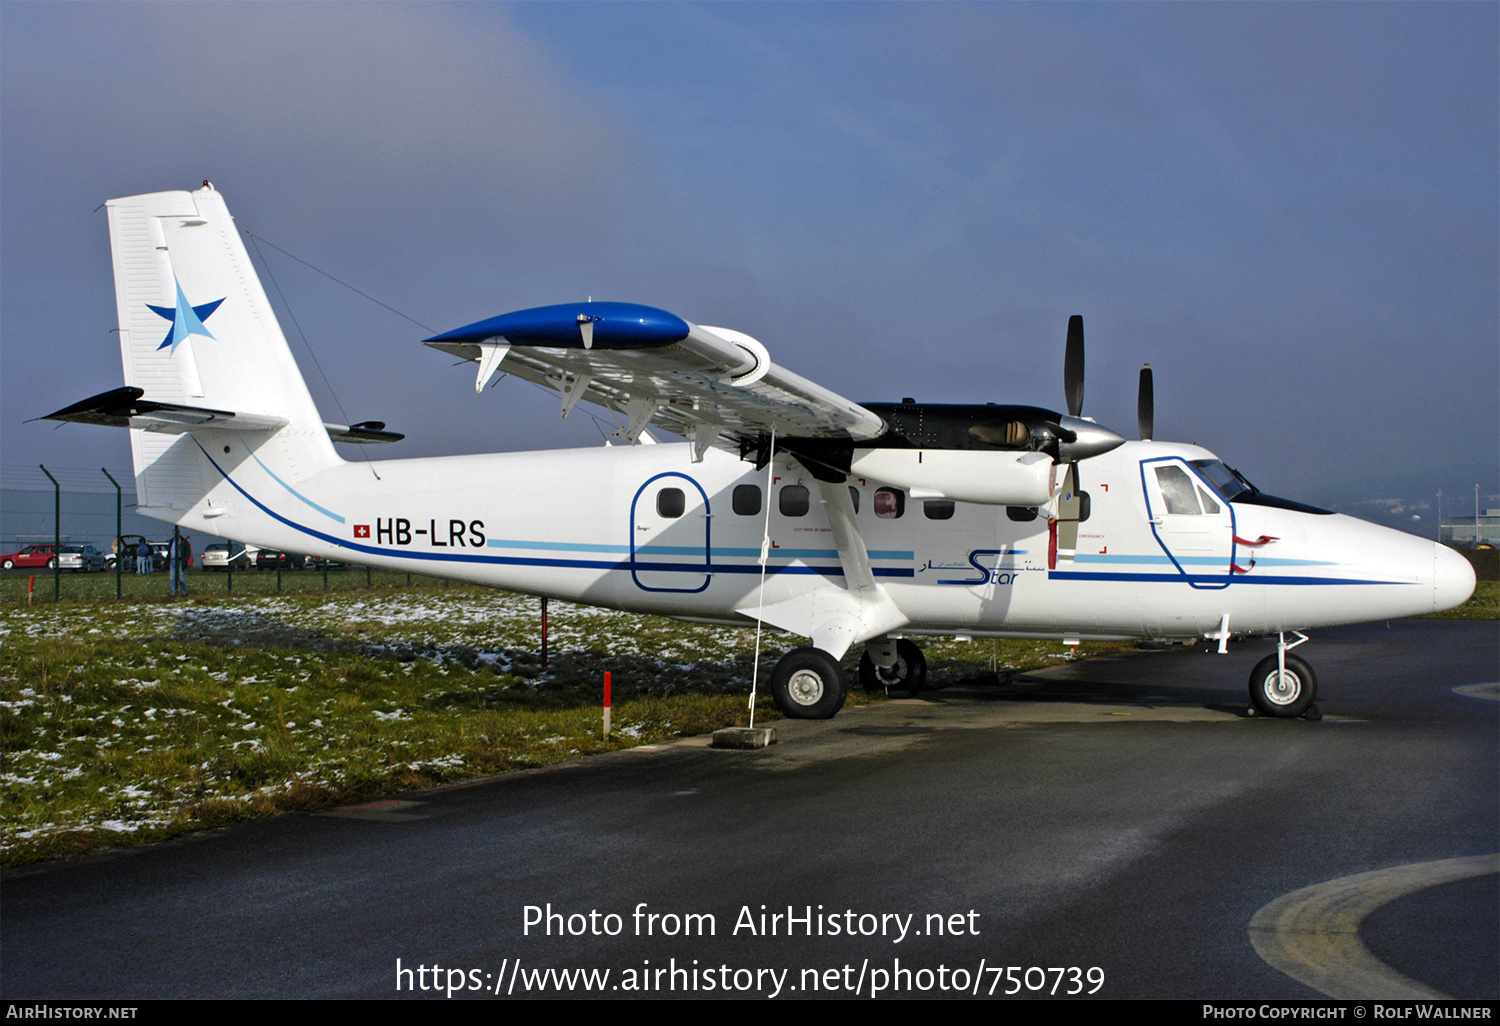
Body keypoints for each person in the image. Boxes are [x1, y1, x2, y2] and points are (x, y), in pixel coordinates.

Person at [169, 528, 190, 597]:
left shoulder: (183, 541)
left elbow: (187, 552)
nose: (175, 535)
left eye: (176, 533)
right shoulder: (172, 541)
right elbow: (169, 551)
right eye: (174, 533)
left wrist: (185, 560)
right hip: (172, 560)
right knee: (172, 577)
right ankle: (173, 592)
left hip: (180, 560)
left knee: (181, 577)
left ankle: (185, 591)